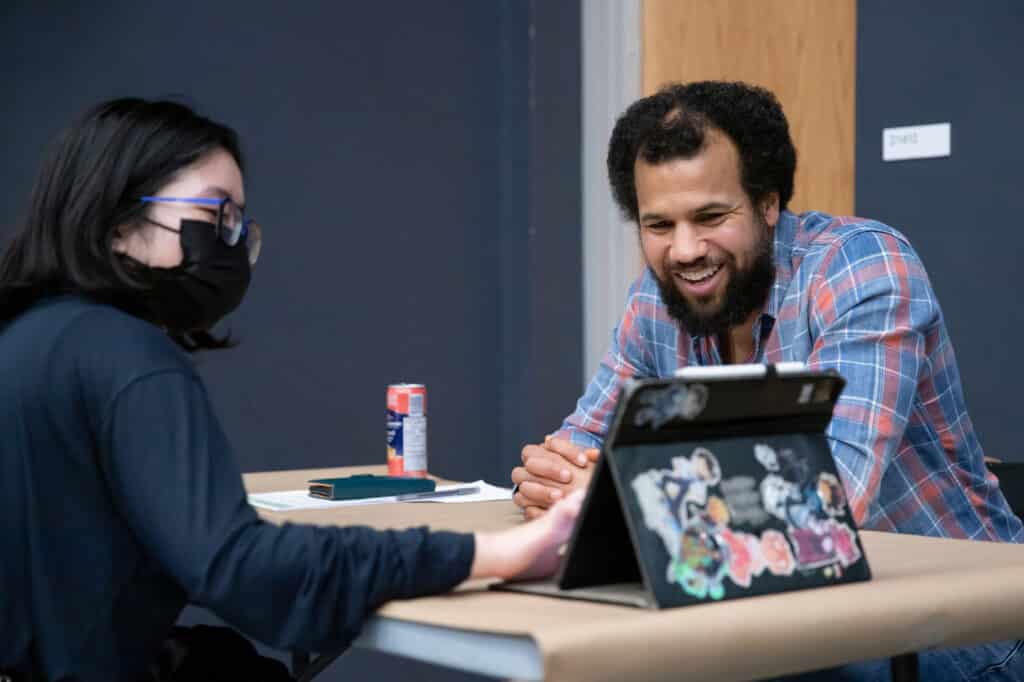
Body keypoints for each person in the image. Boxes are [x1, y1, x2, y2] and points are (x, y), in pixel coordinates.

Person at [0, 98, 583, 682]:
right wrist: (497, 553)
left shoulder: (31, 334)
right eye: (214, 215)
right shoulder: (126, 356)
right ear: (120, 225)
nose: (229, 245)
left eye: (238, 226)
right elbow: (241, 571)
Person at [510, 81, 1024, 680]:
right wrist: (552, 478)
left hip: (953, 638)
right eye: (659, 225)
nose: (684, 250)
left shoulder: (860, 269)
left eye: (710, 216)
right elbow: (575, 454)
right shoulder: (656, 301)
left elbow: (828, 503)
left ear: (769, 203)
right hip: (765, 616)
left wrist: (618, 496)